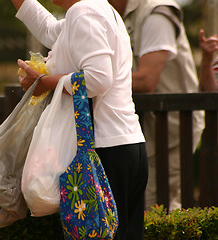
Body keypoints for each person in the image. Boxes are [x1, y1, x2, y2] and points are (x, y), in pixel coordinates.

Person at [11, 0, 148, 239]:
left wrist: (43, 83)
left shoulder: (84, 11)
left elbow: (97, 80)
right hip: (124, 145)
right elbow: (48, 29)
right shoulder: (96, 10)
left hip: (103, 153)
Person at [108, 0, 205, 211]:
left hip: (172, 131)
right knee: (139, 208)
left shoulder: (157, 12)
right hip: (141, 132)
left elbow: (146, 80)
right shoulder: (111, 13)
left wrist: (86, 79)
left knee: (156, 208)